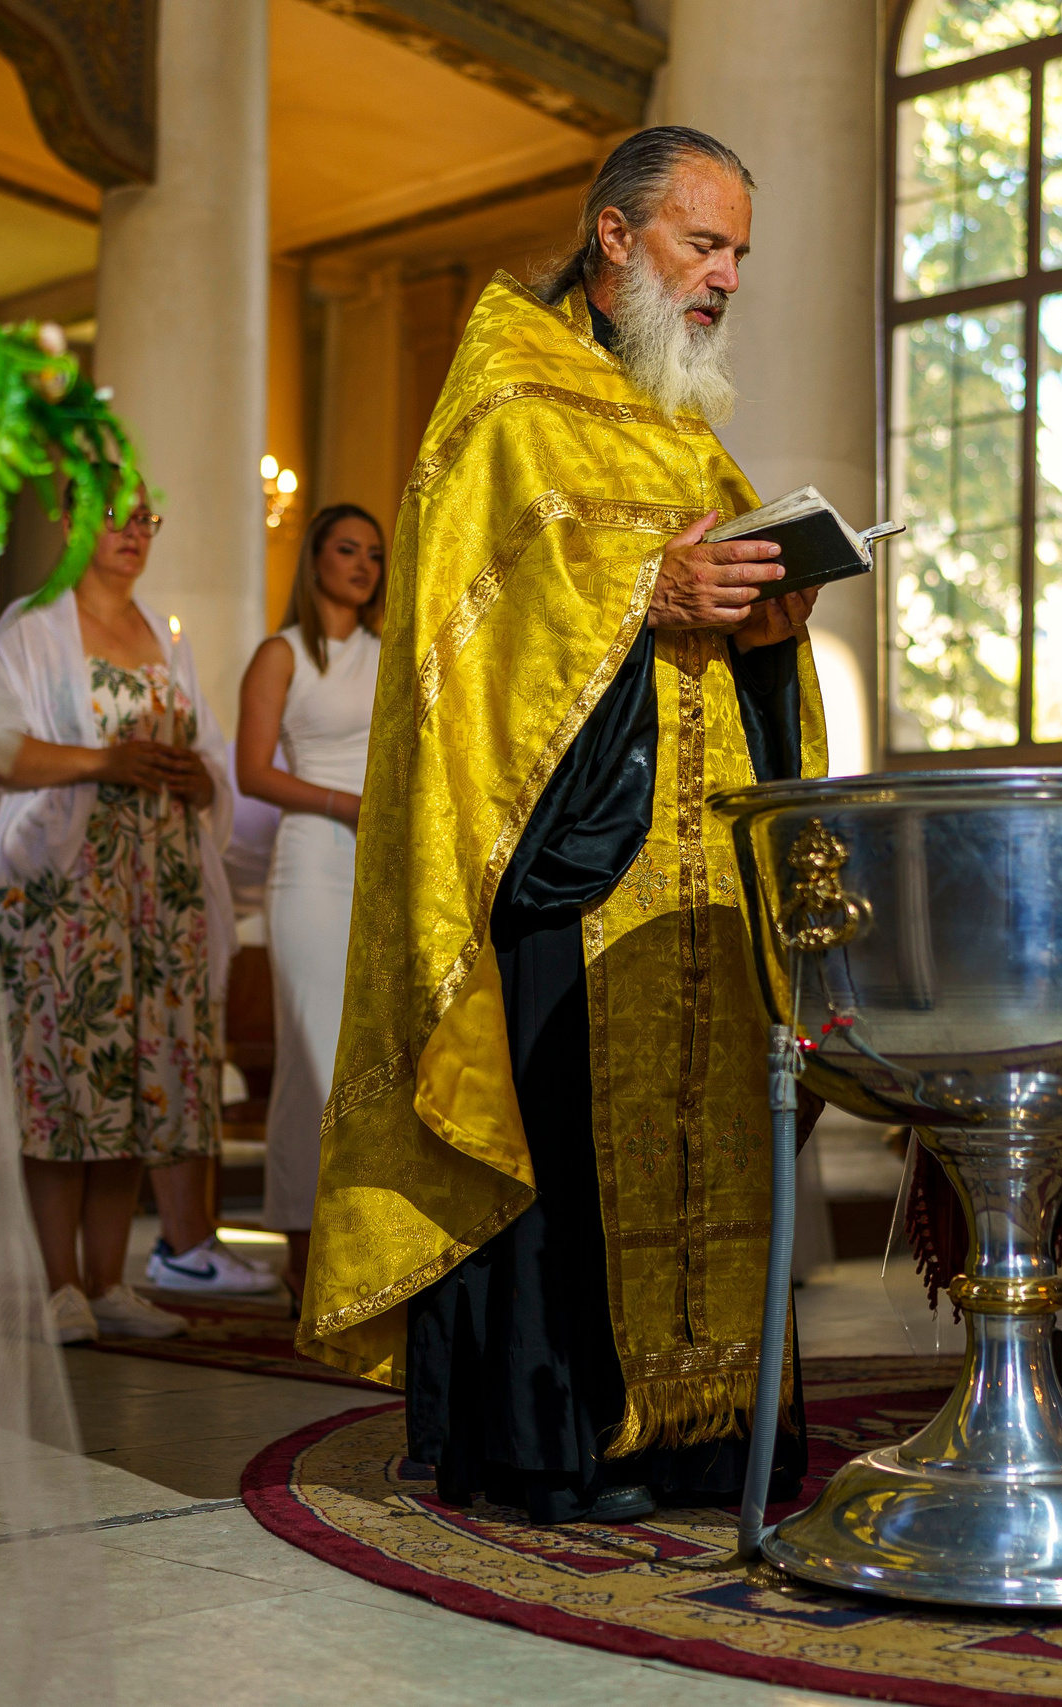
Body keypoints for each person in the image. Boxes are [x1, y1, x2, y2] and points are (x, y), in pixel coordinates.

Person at [299, 128, 826, 1523]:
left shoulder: (684, 424)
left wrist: (770, 624)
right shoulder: (505, 386)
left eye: (737, 257)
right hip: (573, 860)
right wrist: (635, 597)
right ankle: (559, 1436)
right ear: (612, 234)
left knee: (705, 1149)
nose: (722, 277)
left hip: (697, 867)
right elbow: (470, 619)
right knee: (570, 1150)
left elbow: (718, 621)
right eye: (700, 245)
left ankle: (704, 1428)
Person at [0, 494, 273, 1347]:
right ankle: (57, 1281)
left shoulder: (163, 635)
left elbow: (210, 751)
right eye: (117, 515)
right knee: (69, 1081)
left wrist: (197, 777)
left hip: (162, 893)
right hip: (70, 901)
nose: (136, 531)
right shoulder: (31, 632)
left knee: (140, 1082)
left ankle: (108, 1279)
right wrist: (108, 759)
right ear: (70, 522)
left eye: (148, 518)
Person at [235, 504, 385, 1306]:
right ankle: (300, 1254)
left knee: (367, 1060)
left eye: (373, 553)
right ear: (315, 559)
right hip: (310, 867)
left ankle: (360, 1247)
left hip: (376, 864)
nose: (362, 564)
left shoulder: (387, 653)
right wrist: (341, 802)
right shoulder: (281, 653)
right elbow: (252, 771)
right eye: (346, 549)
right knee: (311, 1057)